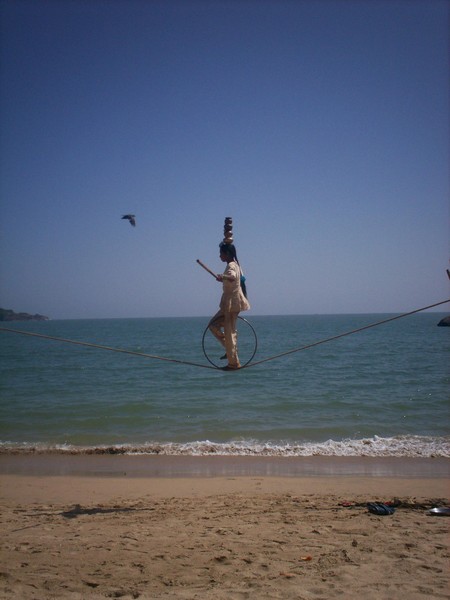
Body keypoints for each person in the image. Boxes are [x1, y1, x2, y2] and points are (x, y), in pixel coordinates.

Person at [208, 242, 250, 369]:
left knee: (229, 332)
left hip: (232, 304)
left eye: (221, 253)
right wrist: (223, 278)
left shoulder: (232, 265)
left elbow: (232, 276)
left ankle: (233, 363)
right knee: (213, 325)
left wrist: (223, 276)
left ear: (227, 254)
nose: (219, 256)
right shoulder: (234, 264)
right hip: (228, 303)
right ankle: (229, 349)